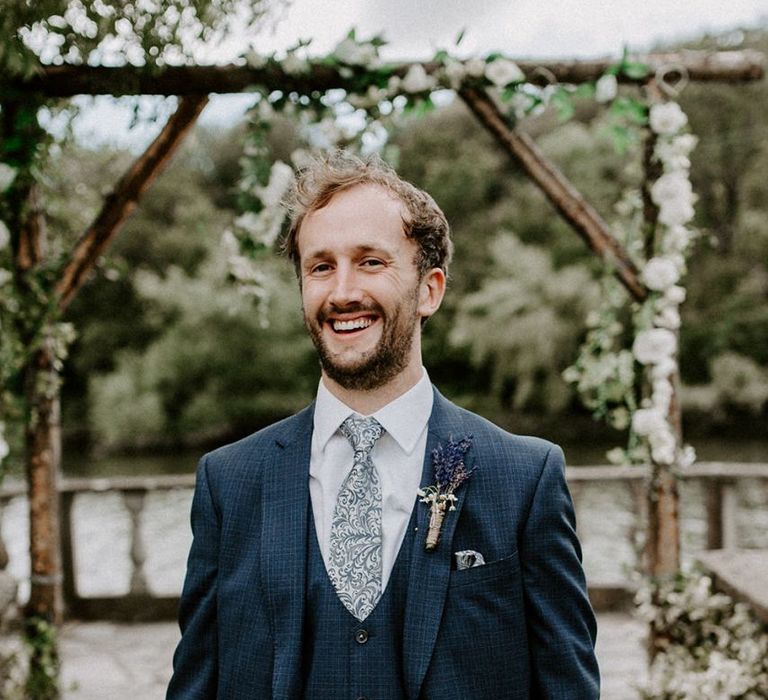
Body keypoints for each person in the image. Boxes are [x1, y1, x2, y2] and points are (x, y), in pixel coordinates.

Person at [167, 151, 600, 699]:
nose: (343, 291)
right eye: (321, 266)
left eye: (371, 261)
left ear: (429, 289)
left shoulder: (526, 477)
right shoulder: (229, 483)